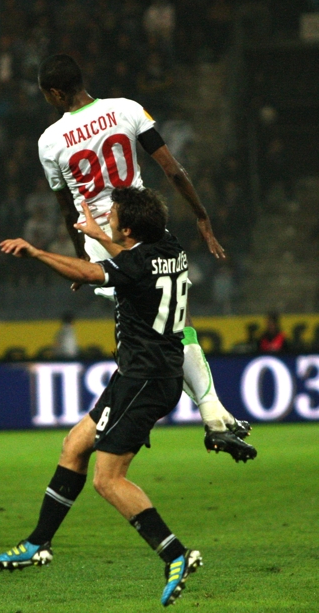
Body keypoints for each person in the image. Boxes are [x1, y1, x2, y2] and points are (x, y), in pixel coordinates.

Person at [0, 188, 207, 606]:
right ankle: (39, 542)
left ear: (128, 229)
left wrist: (37, 254)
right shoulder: (171, 245)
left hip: (144, 379)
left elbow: (92, 274)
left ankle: (175, 554)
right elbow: (135, 258)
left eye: (112, 215)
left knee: (107, 479)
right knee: (75, 444)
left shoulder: (132, 265)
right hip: (144, 374)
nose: (106, 216)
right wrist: (102, 235)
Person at [36, 53, 251, 453]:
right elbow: (173, 170)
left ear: (54, 93)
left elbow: (67, 210)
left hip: (103, 243)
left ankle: (179, 412)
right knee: (174, 326)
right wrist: (202, 217)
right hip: (147, 231)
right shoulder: (126, 109)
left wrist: (82, 259)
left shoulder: (49, 142)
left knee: (157, 331)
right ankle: (212, 414)